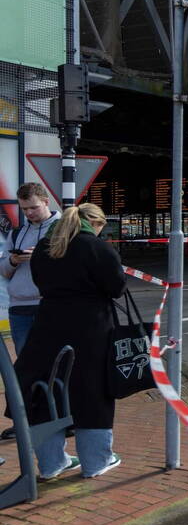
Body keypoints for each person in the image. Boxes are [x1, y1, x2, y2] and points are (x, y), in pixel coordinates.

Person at [14, 203, 127, 479]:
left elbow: (41, 283)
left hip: (47, 327)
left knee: (44, 392)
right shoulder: (96, 247)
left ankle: (52, 465)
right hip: (91, 331)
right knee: (92, 392)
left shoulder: (44, 248)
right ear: (94, 224)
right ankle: (96, 462)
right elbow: (117, 287)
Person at [0, 183, 60, 441]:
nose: (30, 214)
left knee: (54, 362)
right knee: (25, 365)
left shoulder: (62, 230)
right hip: (20, 307)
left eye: (34, 207)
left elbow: (71, 264)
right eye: (25, 209)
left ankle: (55, 416)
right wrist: (13, 260)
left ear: (46, 202)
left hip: (49, 305)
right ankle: (27, 420)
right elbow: (3, 270)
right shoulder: (18, 232)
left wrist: (41, 257)